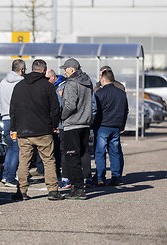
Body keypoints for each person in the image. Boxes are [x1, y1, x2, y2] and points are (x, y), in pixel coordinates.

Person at [10, 59, 64, 201]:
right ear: (43, 70)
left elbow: (13, 109)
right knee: (48, 160)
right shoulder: (47, 86)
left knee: (24, 162)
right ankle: (52, 191)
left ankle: (21, 191)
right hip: (43, 131)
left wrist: (13, 128)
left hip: (23, 131)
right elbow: (55, 109)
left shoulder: (19, 86)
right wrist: (53, 125)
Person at [59, 58, 93, 200]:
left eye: (66, 69)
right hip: (85, 123)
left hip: (72, 124)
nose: (64, 71)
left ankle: (78, 189)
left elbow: (71, 105)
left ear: (72, 69)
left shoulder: (72, 83)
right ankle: (76, 187)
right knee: (80, 155)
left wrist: (62, 116)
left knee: (72, 157)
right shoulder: (87, 81)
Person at [93, 69, 129, 186]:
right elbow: (125, 111)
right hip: (116, 126)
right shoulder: (121, 93)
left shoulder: (100, 93)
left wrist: (94, 125)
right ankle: (116, 177)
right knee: (115, 152)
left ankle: (100, 178)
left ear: (103, 79)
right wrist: (121, 125)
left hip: (103, 126)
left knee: (100, 153)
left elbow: (96, 111)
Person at [0, 59, 26, 187]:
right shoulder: (21, 83)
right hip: (17, 119)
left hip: (5, 118)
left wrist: (3, 112)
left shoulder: (2, 82)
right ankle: (10, 178)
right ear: (21, 70)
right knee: (17, 149)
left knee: (10, 149)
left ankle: (5, 175)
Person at [45, 68, 70, 188]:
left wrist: (56, 124)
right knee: (58, 151)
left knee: (62, 150)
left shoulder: (60, 87)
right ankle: (60, 175)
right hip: (59, 124)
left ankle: (64, 177)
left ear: (52, 77)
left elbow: (59, 107)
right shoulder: (58, 85)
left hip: (61, 125)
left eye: (47, 79)